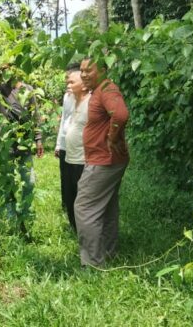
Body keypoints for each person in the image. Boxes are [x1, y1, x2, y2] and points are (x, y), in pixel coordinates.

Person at [74, 58, 129, 267]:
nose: (84, 74)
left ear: (103, 70)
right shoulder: (99, 89)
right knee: (106, 207)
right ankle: (108, 253)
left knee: (85, 208)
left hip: (103, 160)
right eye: (81, 70)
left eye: (89, 70)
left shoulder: (106, 87)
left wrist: (112, 137)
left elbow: (121, 115)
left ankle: (93, 263)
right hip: (106, 159)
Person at [0, 64, 43, 235]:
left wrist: (38, 139)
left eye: (11, 69)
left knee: (29, 181)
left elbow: (35, 115)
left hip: (24, 144)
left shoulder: (28, 90)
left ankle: (25, 211)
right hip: (5, 145)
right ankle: (11, 215)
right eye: (4, 70)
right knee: (7, 182)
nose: (8, 73)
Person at [62, 70, 90, 232]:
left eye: (72, 82)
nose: (68, 85)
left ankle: (86, 231)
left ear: (84, 86)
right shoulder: (72, 100)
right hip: (70, 157)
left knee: (82, 200)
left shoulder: (91, 103)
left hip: (84, 160)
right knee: (70, 196)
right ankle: (76, 229)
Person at [55, 63, 80, 220]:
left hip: (77, 146)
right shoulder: (66, 97)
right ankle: (67, 207)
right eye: (67, 81)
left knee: (76, 179)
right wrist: (59, 143)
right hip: (65, 143)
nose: (68, 84)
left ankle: (77, 211)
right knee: (65, 178)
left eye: (71, 81)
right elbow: (64, 118)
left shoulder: (85, 98)